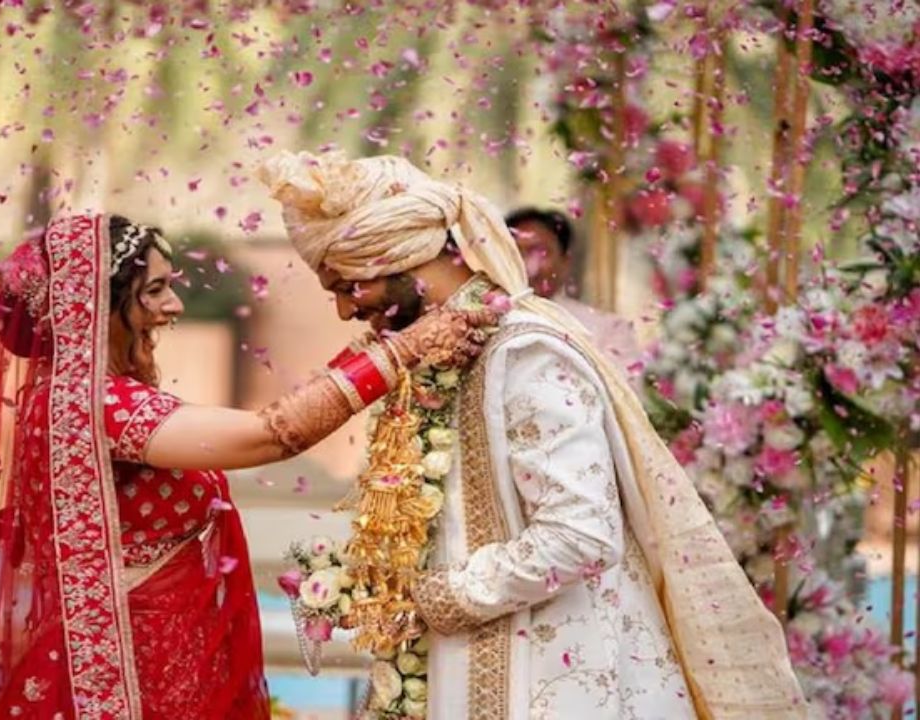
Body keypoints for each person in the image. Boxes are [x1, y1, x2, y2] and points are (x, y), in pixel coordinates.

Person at [259, 151, 806, 719]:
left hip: (553, 678)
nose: (344, 311)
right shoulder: (435, 351)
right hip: (461, 663)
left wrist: (432, 595)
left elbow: (581, 533)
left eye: (348, 286)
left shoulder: (525, 351)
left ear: (396, 257)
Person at [0, 212, 495, 720]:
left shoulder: (84, 396)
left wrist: (374, 348)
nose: (173, 305)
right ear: (94, 307)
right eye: (153, 290)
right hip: (135, 669)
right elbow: (269, 436)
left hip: (167, 651)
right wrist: (402, 351)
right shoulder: (92, 404)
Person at [505, 206, 642, 374]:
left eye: (540, 252)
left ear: (565, 261)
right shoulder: (483, 324)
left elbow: (623, 388)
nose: (525, 264)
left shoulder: (608, 331)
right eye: (514, 252)